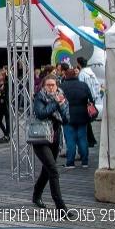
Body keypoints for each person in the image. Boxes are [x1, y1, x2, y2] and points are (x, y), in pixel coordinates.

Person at [32, 75, 73, 216]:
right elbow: (41, 113)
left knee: (47, 170)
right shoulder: (40, 97)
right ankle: (61, 208)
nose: (51, 87)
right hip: (40, 139)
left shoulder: (61, 97)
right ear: (43, 86)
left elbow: (67, 118)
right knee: (53, 170)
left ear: (57, 86)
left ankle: (36, 194)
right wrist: (55, 103)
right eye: (48, 85)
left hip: (55, 139)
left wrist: (61, 105)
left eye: (53, 85)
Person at [60, 68, 94, 168]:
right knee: (82, 139)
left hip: (67, 116)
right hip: (82, 115)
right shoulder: (83, 85)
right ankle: (85, 162)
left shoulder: (62, 87)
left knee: (70, 140)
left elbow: (58, 102)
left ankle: (70, 162)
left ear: (65, 76)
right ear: (76, 75)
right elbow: (91, 99)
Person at [76, 57, 101, 148]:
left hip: (85, 100)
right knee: (87, 121)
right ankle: (91, 140)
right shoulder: (91, 73)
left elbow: (81, 88)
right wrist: (95, 96)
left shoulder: (82, 74)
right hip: (92, 98)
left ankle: (90, 140)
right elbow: (97, 85)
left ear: (79, 64)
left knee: (85, 121)